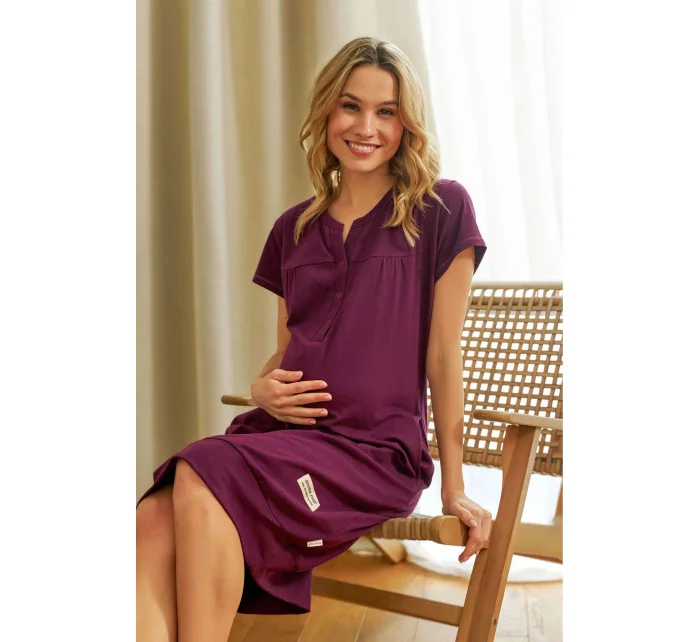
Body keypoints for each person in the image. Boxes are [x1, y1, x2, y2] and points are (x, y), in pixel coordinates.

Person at [136, 36, 490, 641]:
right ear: (327, 111)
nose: (366, 128)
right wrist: (261, 388)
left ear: (406, 124)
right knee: (152, 515)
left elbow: (442, 354)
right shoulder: (292, 230)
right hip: (284, 440)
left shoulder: (441, 210)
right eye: (351, 106)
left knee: (201, 470)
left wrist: (455, 488)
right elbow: (288, 350)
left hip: (373, 453)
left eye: (386, 112)